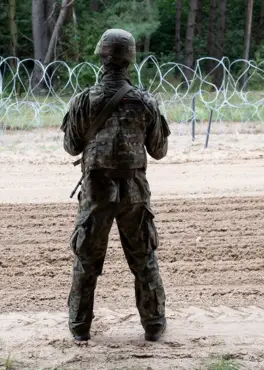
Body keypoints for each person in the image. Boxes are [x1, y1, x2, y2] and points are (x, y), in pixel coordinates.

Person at [60, 28, 171, 342]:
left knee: (86, 260)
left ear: (101, 56)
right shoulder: (145, 102)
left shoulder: (84, 100)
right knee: (143, 259)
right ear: (130, 60)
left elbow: (71, 146)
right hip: (134, 192)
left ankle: (80, 329)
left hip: (96, 193)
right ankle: (154, 325)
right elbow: (159, 150)